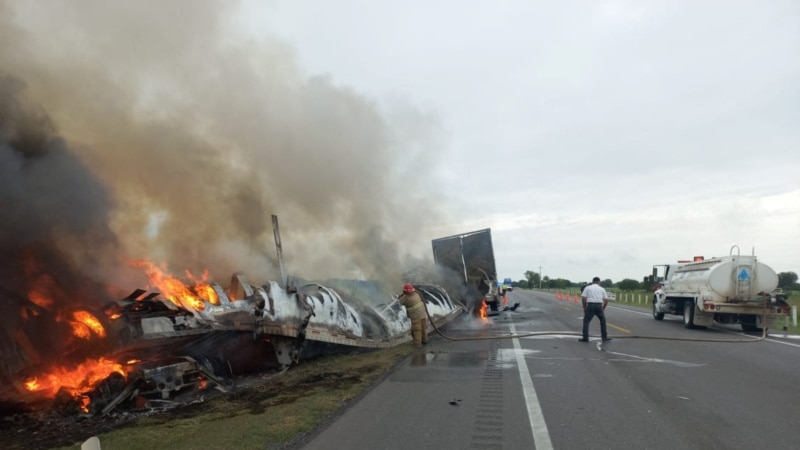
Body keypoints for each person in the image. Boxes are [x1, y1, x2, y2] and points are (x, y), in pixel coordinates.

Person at [579, 276, 611, 342]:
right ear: (599, 282)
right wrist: (603, 308)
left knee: (586, 321)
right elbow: (606, 300)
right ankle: (604, 337)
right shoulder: (602, 289)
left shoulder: (587, 288)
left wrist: (584, 307)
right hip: (599, 305)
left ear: (592, 281)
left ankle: (585, 338)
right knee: (603, 321)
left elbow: (584, 298)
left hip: (590, 305)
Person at [398, 283, 428, 348]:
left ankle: (417, 345)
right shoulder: (417, 294)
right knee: (423, 328)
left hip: (415, 316)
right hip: (422, 314)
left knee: (416, 330)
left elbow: (400, 302)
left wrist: (401, 295)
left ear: (405, 291)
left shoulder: (407, 298)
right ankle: (424, 340)